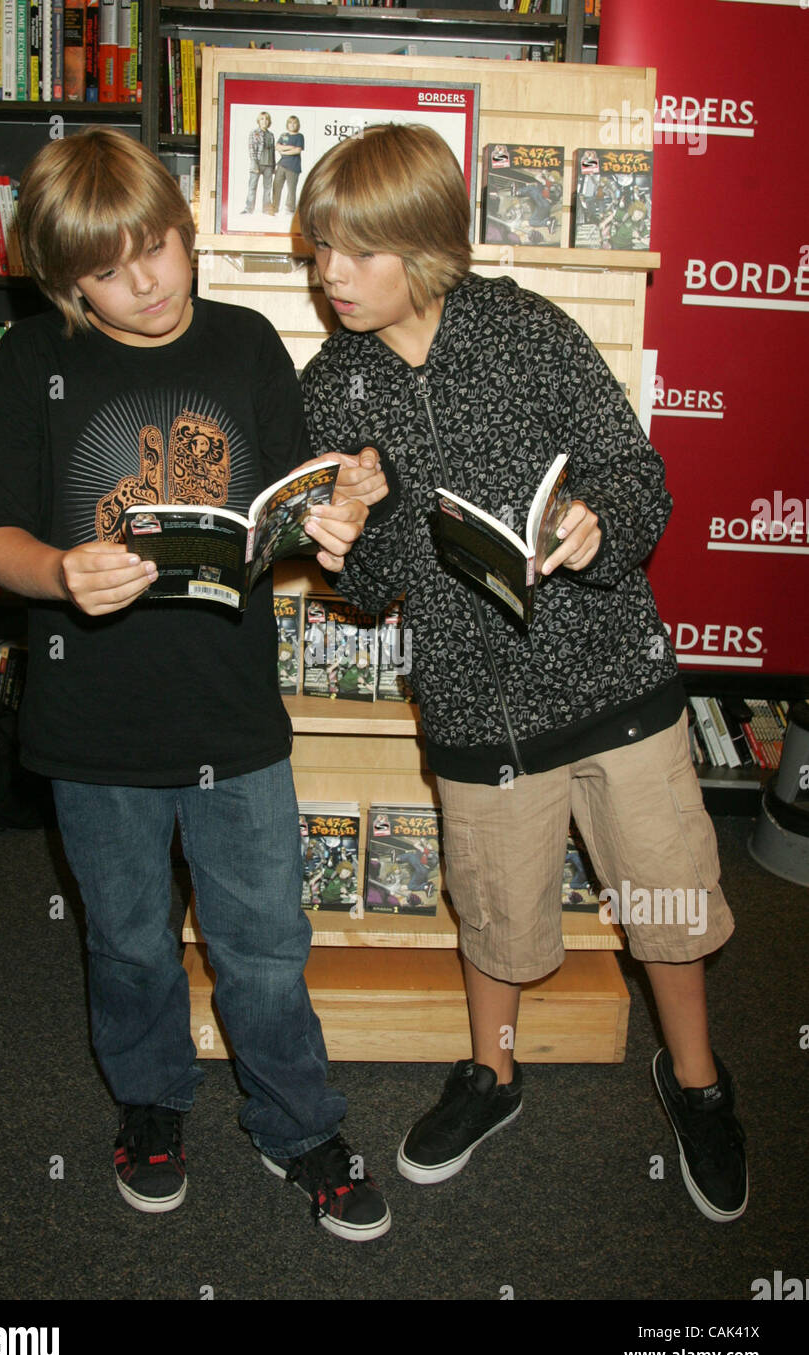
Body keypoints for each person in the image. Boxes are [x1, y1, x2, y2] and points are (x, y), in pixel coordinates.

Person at [297, 123, 748, 1223]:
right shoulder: (333, 387)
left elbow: (629, 466)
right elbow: (375, 590)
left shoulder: (526, 329)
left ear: (422, 242)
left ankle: (696, 1078)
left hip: (611, 682)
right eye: (318, 252)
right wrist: (354, 532)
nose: (329, 276)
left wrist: (602, 524)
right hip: (472, 700)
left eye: (355, 251)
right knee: (496, 912)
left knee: (666, 895)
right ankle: (492, 1073)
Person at [0, 127, 391, 1242]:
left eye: (157, 247)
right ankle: (152, 1103)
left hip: (232, 714)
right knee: (129, 938)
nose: (145, 282)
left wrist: (332, 517)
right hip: (93, 722)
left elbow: (286, 518)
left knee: (263, 940)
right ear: (63, 282)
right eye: (107, 270)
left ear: (185, 230)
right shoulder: (27, 366)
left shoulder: (248, 344)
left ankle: (297, 1121)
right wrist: (57, 570)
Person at [241, 111, 275, 215]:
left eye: (266, 119)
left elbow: (273, 151)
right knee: (252, 186)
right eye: (262, 119)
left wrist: (274, 166)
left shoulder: (271, 135)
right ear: (258, 121)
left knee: (268, 188)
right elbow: (252, 150)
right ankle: (248, 209)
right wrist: (254, 164)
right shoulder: (254, 133)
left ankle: (266, 209)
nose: (264, 121)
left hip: (268, 164)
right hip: (257, 163)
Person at [271, 115, 305, 217]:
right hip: (281, 165)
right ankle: (274, 207)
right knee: (276, 186)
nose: (292, 125)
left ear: (297, 124)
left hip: (293, 167)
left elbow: (297, 150)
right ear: (287, 124)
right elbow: (277, 147)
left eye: (294, 123)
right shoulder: (284, 135)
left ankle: (290, 209)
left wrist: (284, 151)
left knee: (291, 189)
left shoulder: (299, 136)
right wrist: (290, 147)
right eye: (290, 123)